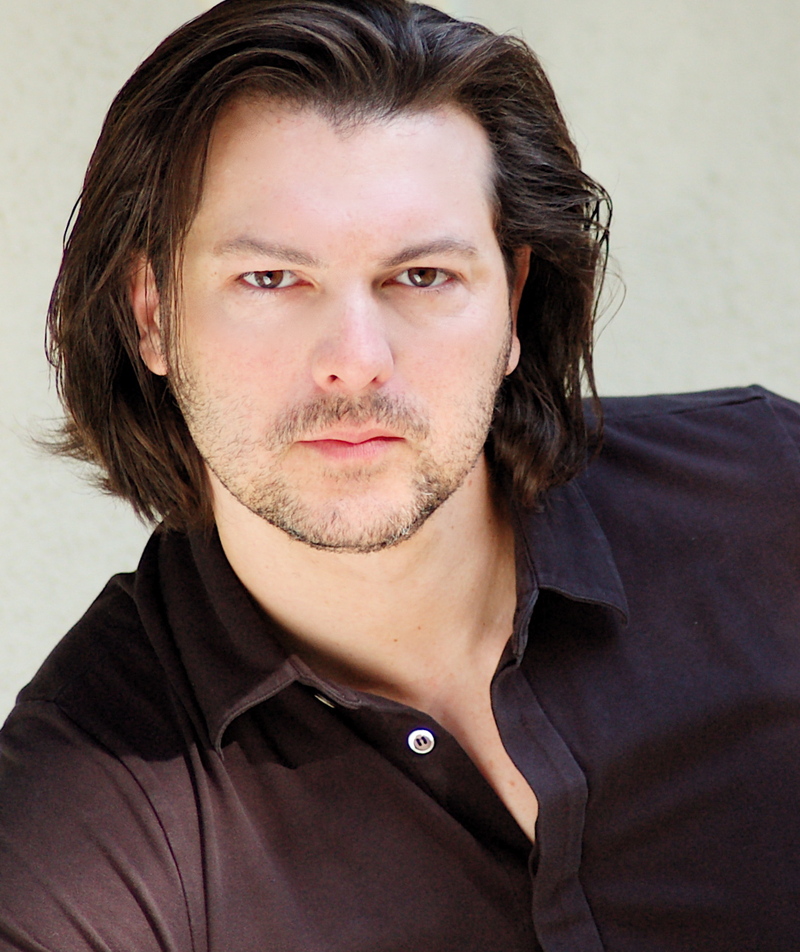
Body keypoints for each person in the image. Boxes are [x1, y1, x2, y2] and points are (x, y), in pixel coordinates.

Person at [1, 0, 799, 949]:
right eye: (271, 279)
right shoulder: (75, 827)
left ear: (514, 301)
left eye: (421, 277)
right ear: (152, 316)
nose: (356, 361)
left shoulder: (771, 502)